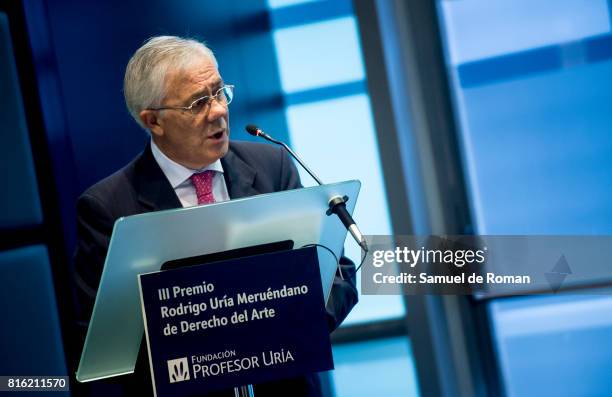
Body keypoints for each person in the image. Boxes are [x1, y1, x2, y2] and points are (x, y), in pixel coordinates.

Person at [73, 36, 358, 396]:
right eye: (197, 103)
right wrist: (219, 346)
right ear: (153, 121)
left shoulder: (272, 165)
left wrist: (288, 327)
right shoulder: (108, 207)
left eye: (219, 92)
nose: (219, 110)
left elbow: (336, 271)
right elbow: (103, 336)